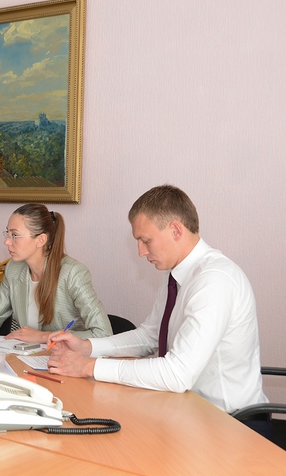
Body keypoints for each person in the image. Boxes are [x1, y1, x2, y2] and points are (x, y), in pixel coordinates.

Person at [47, 185, 270, 436]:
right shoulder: (177, 275)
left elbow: (177, 373)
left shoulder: (214, 280)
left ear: (175, 230)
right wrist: (87, 347)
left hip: (233, 427)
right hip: (191, 412)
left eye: (145, 240)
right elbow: (149, 336)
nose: (141, 252)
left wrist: (89, 367)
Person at [0, 204, 112, 342]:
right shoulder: (14, 268)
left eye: (15, 235)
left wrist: (43, 336)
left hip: (65, 358)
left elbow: (103, 333)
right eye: (8, 233)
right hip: (26, 356)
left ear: (41, 240)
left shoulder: (73, 273)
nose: (6, 241)